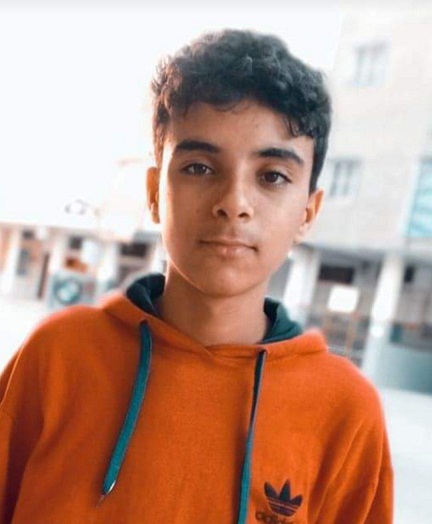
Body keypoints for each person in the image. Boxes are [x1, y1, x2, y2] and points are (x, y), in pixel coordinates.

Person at [0, 29, 393, 523]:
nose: (233, 202)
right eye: (199, 168)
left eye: (272, 176)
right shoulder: (57, 357)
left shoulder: (345, 412)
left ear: (308, 213)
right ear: (153, 193)